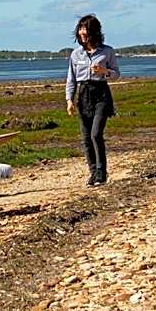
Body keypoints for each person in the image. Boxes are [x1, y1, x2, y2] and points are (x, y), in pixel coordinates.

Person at [66, 14, 120, 186]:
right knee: (85, 137)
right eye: (80, 28)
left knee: (96, 133)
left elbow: (117, 74)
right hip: (83, 94)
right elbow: (71, 79)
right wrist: (69, 100)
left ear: (94, 31)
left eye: (86, 28)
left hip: (101, 93)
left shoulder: (107, 51)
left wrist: (104, 71)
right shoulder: (75, 54)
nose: (82, 32)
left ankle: (102, 172)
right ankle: (92, 172)